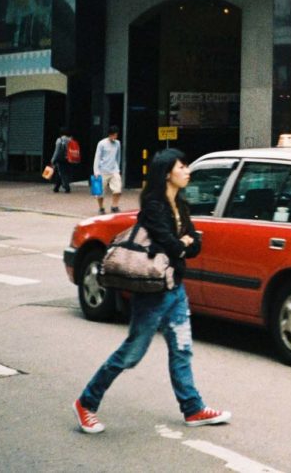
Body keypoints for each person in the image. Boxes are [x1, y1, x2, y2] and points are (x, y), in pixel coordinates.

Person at [73, 148, 230, 434]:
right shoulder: (155, 206)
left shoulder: (180, 204)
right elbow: (172, 245)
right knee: (131, 354)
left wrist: (182, 243)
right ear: (167, 172)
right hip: (152, 292)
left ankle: (192, 408)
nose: (187, 171)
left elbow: (194, 244)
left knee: (182, 349)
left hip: (175, 288)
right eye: (182, 167)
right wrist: (182, 243)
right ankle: (86, 402)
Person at [93, 125, 123, 214]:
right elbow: (97, 157)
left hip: (114, 170)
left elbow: (118, 156)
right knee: (99, 192)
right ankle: (101, 207)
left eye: (116, 135)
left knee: (118, 189)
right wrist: (96, 171)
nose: (115, 137)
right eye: (113, 135)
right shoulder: (101, 143)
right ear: (109, 135)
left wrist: (118, 168)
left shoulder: (118, 143)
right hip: (102, 171)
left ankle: (114, 206)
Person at [50, 128, 72, 193]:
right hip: (69, 159)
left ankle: (66, 186)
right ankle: (56, 187)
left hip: (60, 159)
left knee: (61, 173)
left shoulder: (59, 140)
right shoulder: (70, 140)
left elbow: (57, 151)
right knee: (61, 172)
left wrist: (53, 159)